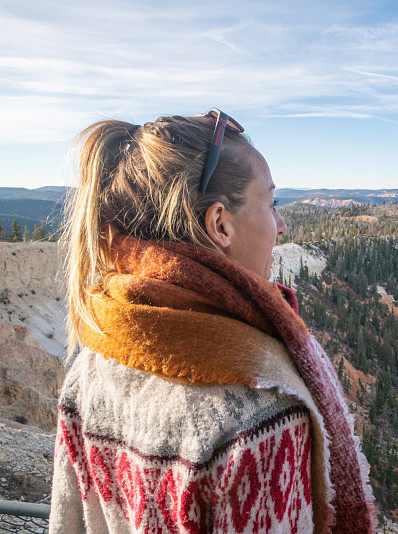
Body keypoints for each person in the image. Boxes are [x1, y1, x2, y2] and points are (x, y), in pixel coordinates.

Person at [49, 110, 376, 533]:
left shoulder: (90, 367)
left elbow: (65, 521)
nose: (281, 223)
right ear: (220, 224)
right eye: (271, 202)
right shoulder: (263, 416)